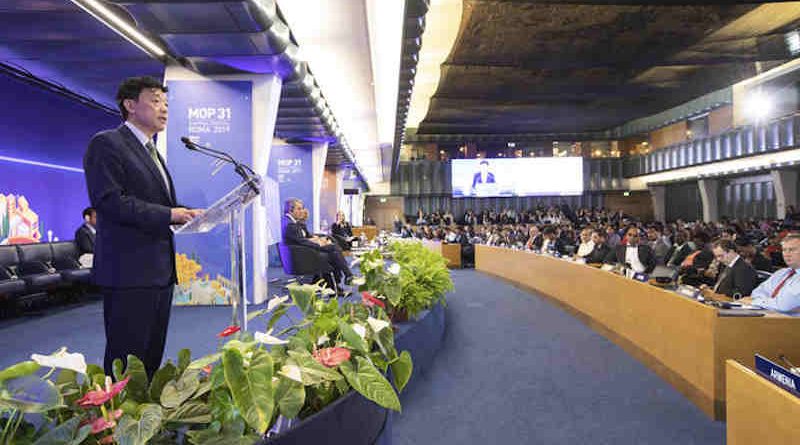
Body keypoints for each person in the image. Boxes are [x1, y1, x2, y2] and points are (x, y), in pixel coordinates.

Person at [84, 76, 202, 379]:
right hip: (129, 271)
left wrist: (186, 213)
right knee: (126, 357)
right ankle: (117, 422)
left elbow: (154, 202)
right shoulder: (107, 144)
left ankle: (145, 418)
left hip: (159, 271)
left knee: (150, 356)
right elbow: (111, 202)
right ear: (130, 105)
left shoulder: (153, 152)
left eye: (165, 102)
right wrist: (170, 214)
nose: (163, 108)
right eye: (154, 100)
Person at [282, 198, 353, 290]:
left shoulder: (291, 222)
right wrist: (319, 244)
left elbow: (303, 238)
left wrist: (318, 240)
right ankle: (345, 276)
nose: (302, 211)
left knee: (333, 250)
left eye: (302, 208)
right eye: (299, 209)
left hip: (303, 253)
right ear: (290, 210)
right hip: (301, 257)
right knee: (333, 251)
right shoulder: (289, 224)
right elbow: (301, 241)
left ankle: (341, 281)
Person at [744, 234, 800, 312]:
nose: (786, 254)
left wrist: (757, 302)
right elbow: (756, 293)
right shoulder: (781, 273)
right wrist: (772, 302)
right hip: (768, 318)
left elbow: (783, 306)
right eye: (784, 250)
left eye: (792, 250)